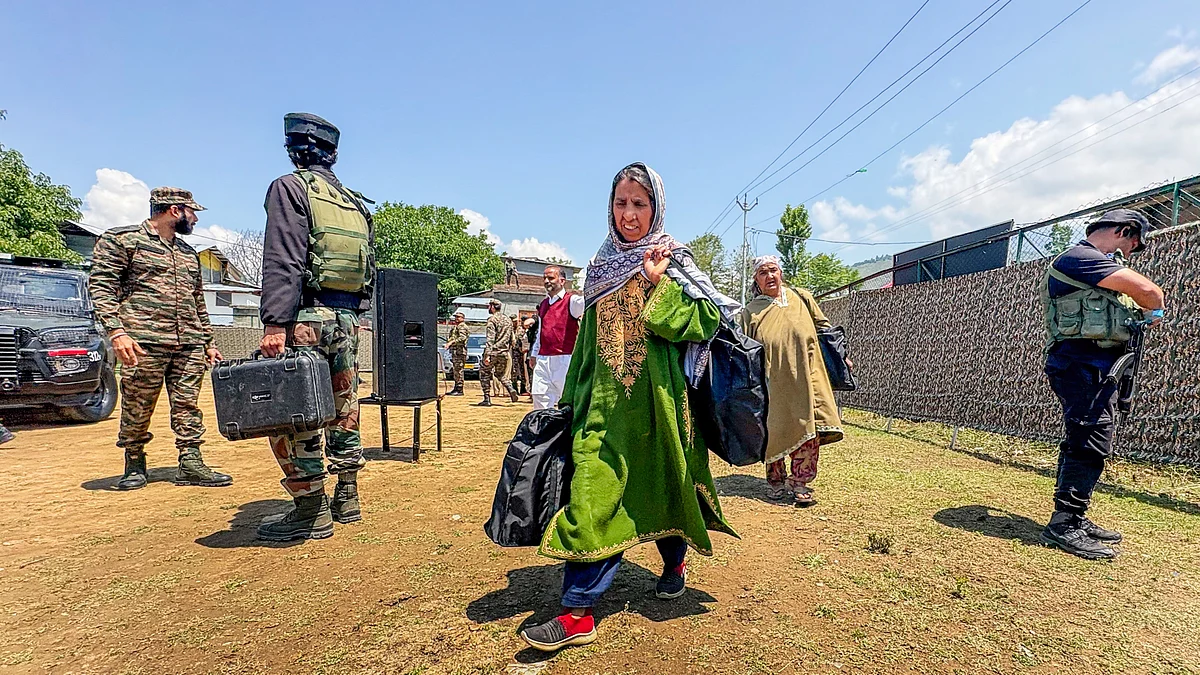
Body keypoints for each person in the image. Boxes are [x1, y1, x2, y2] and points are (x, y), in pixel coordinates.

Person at [520, 162, 738, 652]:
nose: (629, 213)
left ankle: (674, 562)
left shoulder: (672, 260)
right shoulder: (598, 269)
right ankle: (578, 612)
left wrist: (657, 285)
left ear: (656, 207)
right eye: (621, 203)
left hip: (661, 409)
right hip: (603, 410)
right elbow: (588, 347)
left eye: (640, 203)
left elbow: (706, 320)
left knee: (664, 489)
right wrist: (570, 400)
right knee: (592, 496)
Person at [256, 112, 375, 541]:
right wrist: (355, 314)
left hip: (304, 318)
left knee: (295, 412)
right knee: (345, 407)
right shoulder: (354, 202)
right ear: (333, 154)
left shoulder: (290, 188)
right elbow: (369, 268)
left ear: (293, 149)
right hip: (346, 318)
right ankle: (348, 496)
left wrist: (275, 322)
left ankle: (310, 508)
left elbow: (283, 259)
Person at [1041, 209, 1164, 560]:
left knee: (1083, 439)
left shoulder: (1089, 264)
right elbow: (1149, 292)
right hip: (1081, 366)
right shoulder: (1081, 258)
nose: (1125, 254)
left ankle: (1073, 516)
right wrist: (1154, 313)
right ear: (1123, 230)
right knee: (1092, 440)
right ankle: (1065, 523)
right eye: (1131, 242)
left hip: (1094, 367)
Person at [89, 187, 229, 491]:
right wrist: (117, 331)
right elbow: (101, 287)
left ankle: (190, 461)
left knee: (188, 405)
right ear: (175, 210)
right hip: (143, 341)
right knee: (138, 405)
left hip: (188, 342)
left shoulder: (188, 252)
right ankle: (135, 462)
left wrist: (208, 341)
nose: (194, 219)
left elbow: (197, 300)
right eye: (192, 212)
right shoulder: (122, 240)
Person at [739, 256, 844, 506]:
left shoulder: (802, 297)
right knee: (774, 429)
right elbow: (745, 348)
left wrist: (843, 358)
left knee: (809, 427)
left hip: (809, 375)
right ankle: (776, 481)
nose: (770, 276)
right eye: (763, 273)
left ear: (781, 272)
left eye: (773, 270)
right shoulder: (751, 311)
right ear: (756, 280)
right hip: (772, 381)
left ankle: (800, 483)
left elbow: (825, 330)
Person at [529, 266, 583, 410]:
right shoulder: (543, 304)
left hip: (565, 358)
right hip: (543, 358)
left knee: (565, 398)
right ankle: (544, 430)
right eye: (544, 278)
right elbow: (540, 332)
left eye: (551, 278)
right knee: (539, 396)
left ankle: (566, 431)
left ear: (562, 280)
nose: (547, 281)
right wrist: (534, 354)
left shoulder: (572, 301)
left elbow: (587, 303)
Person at [479, 300, 520, 406]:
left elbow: (490, 339)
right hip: (504, 353)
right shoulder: (508, 320)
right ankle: (510, 388)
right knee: (500, 374)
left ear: (492, 307)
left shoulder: (492, 320)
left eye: (489, 306)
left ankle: (486, 398)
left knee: (484, 373)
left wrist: (487, 355)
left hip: (493, 352)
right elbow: (513, 339)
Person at [446, 311, 470, 396]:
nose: (456, 318)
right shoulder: (457, 326)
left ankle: (459, 389)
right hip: (456, 351)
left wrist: (451, 342)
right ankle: (456, 388)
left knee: (459, 370)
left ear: (463, 318)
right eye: (456, 317)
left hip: (459, 351)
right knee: (456, 370)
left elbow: (462, 338)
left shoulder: (462, 326)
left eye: (458, 317)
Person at [510, 314, 529, 395]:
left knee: (522, 371)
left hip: (521, 353)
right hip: (515, 353)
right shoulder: (514, 329)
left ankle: (523, 388)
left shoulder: (522, 329)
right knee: (514, 371)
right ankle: (514, 388)